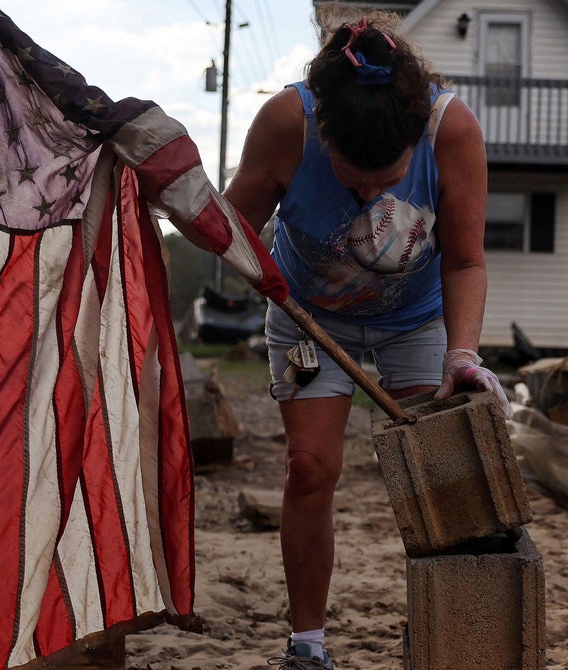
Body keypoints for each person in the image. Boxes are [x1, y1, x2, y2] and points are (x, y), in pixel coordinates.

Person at [217, 10, 510, 669]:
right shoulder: (286, 124)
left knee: (442, 468)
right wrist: (240, 258)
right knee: (309, 469)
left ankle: (449, 637)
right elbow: (232, 231)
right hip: (308, 316)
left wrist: (463, 354)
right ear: (324, 134)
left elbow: (466, 260)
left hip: (417, 319)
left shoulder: (451, 130)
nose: (373, 194)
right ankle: (307, 646)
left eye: (388, 179)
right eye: (355, 180)